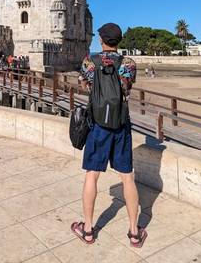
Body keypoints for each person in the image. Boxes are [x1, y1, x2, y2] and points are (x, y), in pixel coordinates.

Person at [71, 22, 147, 248]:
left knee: (92, 175)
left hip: (98, 126)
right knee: (127, 178)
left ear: (101, 40)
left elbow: (84, 85)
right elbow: (128, 87)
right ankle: (134, 232)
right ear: (119, 41)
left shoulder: (89, 62)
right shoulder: (129, 64)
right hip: (121, 125)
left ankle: (87, 230)